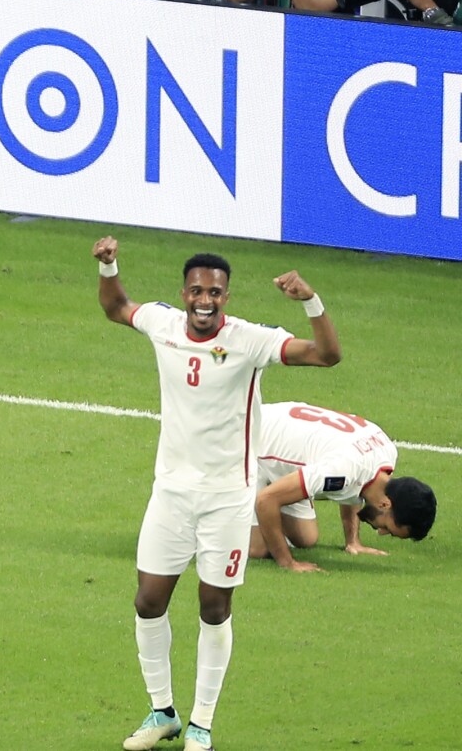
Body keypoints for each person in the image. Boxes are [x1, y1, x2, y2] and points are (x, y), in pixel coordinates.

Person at [93, 236, 342, 751]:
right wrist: (109, 266)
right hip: (170, 494)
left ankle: (201, 724)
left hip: (228, 500)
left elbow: (327, 355)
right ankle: (163, 712)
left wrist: (310, 302)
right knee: (148, 601)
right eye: (196, 291)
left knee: (213, 606)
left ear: (227, 297)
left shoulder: (249, 340)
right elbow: (117, 307)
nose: (204, 300)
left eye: (214, 293)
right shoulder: (163, 324)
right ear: (183, 293)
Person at [252, 401, 436, 571]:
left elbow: (357, 483)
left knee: (306, 538)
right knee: (259, 548)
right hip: (250, 446)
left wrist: (352, 541)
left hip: (281, 445)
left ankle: (265, 500)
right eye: (387, 528)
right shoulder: (341, 469)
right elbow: (266, 499)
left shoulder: (385, 454)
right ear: (385, 504)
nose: (381, 532)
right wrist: (287, 562)